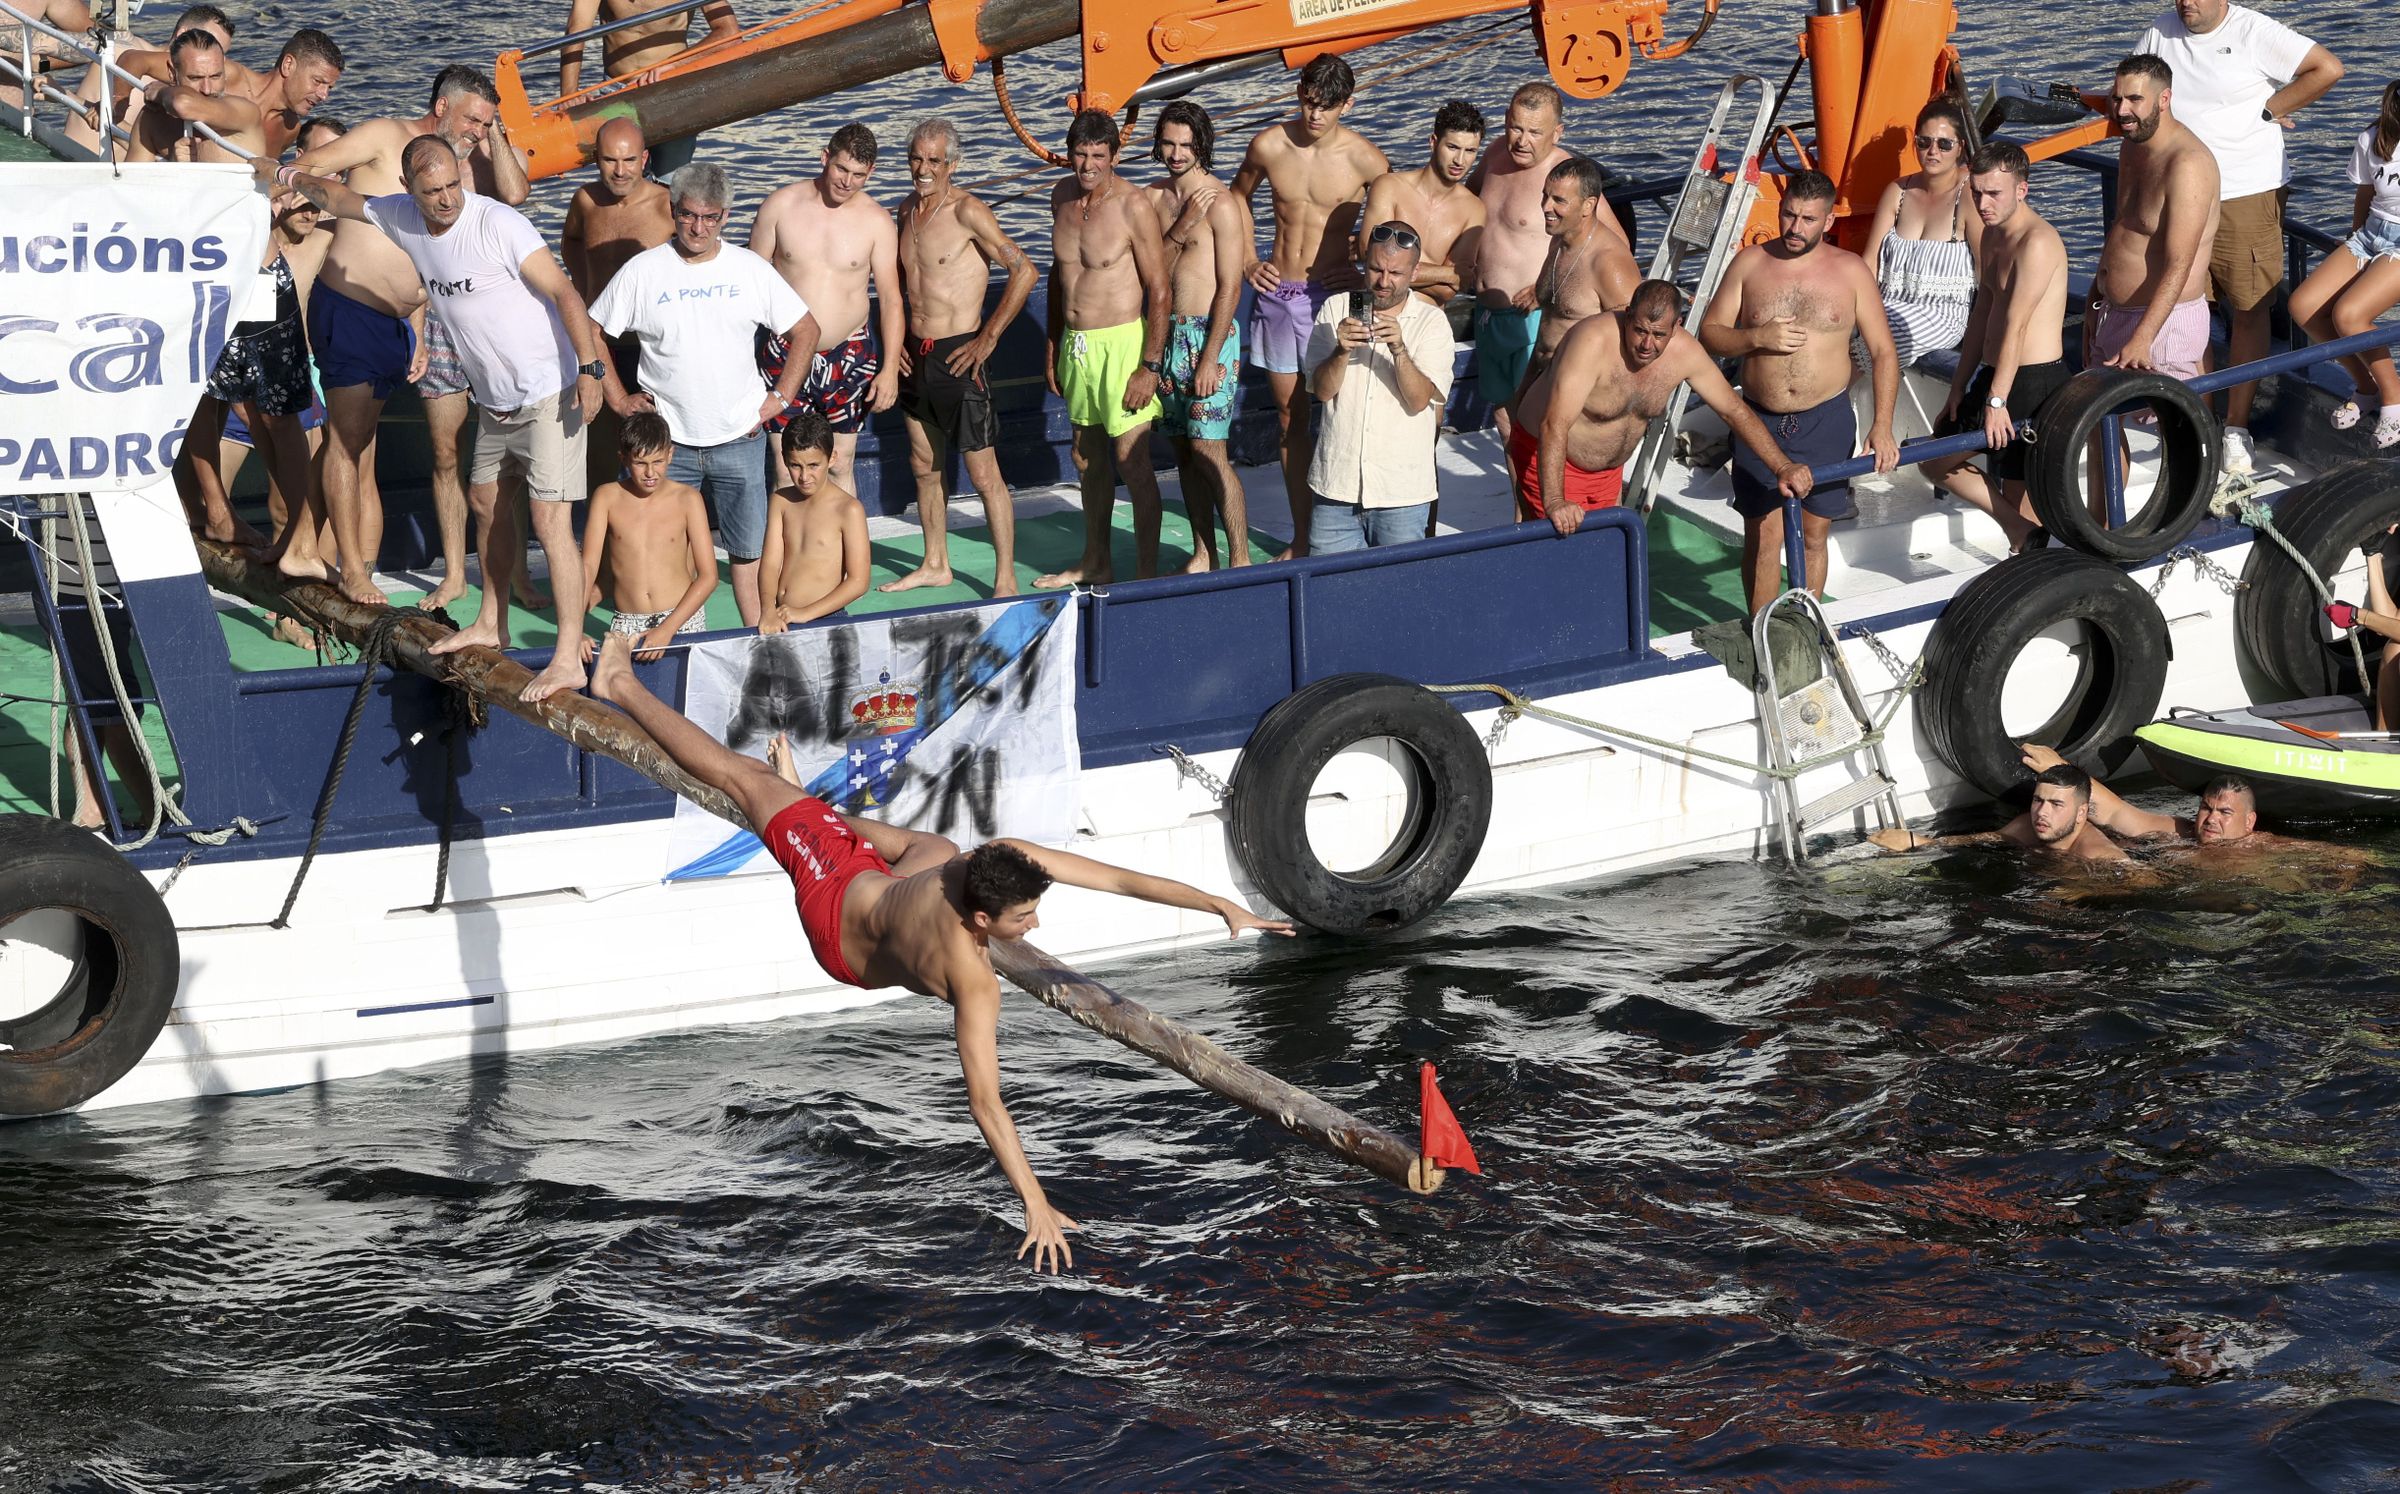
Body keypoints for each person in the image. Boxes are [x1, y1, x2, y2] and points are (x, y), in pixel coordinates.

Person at [585, 631, 1292, 1273]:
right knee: (748, 777)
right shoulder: (973, 958)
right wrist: (1035, 1202)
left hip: (857, 906)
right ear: (982, 915)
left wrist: (1214, 902)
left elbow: (1115, 878)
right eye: (1023, 919)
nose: (1035, 926)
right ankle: (619, 684)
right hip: (843, 909)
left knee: (892, 834)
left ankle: (802, 804)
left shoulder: (985, 890)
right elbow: (987, 1104)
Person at [266, 136, 608, 702]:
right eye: (433, 192)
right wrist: (285, 173)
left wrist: (592, 369)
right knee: (483, 504)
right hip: (495, 399)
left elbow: (566, 294)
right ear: (409, 191)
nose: (447, 199)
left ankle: (568, 656)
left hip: (551, 390)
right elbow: (338, 195)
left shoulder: (498, 224)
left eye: (453, 185)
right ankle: (490, 622)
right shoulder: (399, 216)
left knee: (550, 522)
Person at [293, 65, 530, 605]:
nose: (476, 130)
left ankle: (322, 553)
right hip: (353, 309)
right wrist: (287, 193)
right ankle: (347, 568)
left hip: (415, 322)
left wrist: (494, 134)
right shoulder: (384, 136)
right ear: (442, 105)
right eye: (472, 118)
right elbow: (312, 166)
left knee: (362, 446)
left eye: (486, 122)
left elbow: (516, 195)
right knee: (347, 446)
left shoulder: (463, 171)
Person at [592, 161, 817, 626]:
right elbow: (593, 332)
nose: (698, 227)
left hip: (739, 437)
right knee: (661, 552)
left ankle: (756, 641)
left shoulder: (749, 269)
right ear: (673, 212)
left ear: (725, 218)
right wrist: (616, 398)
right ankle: (671, 643)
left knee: (748, 554)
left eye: (710, 217)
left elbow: (806, 330)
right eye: (689, 215)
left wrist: (780, 398)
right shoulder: (643, 271)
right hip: (666, 447)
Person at [2136, 0, 2344, 475]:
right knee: (2190, 307)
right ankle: (2200, 417)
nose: (2185, 3)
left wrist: (2269, 112)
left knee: (2249, 308)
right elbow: (2134, 93)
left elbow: (2326, 68)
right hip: (2181, 191)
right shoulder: (2159, 32)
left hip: (2245, 191)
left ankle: (2236, 427)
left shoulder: (2253, 30)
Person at [1700, 170, 1900, 610]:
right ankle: (1761, 631)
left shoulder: (1850, 271)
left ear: (1828, 221)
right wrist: (1755, 338)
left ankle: (1806, 626)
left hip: (1824, 420)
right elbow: (1710, 333)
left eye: (1808, 219)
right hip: (1758, 420)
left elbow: (1884, 352)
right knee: (1763, 534)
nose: (1795, 228)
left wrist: (1882, 425)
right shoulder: (1750, 263)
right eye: (1789, 214)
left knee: (1813, 534)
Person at [1230, 56, 1389, 560]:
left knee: (1354, 409)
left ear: (1349, 104)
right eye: (1307, 102)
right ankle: (1303, 537)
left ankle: (1364, 525)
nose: (1314, 115)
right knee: (1287, 417)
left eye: (1326, 107)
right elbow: (1237, 198)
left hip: (1342, 293)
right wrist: (1247, 260)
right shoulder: (1270, 145)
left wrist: (1365, 273)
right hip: (1280, 293)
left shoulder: (1367, 159)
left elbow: (1395, 221)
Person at [1514, 280, 1813, 533]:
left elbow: (1733, 410)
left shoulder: (1685, 353)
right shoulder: (1591, 341)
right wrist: (1555, 501)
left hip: (1608, 473)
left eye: (1659, 335)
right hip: (1552, 456)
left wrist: (1782, 466)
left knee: (1604, 557)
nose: (1647, 344)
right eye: (1640, 330)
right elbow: (1554, 424)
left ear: (1676, 328)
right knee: (1557, 559)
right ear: (1627, 316)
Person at [885, 117, 1038, 595]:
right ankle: (936, 563)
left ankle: (1005, 577)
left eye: (934, 160)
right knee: (923, 464)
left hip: (960, 355)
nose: (923, 169)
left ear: (953, 163)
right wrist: (895, 351)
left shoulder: (969, 211)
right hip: (916, 355)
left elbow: (1024, 271)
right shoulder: (905, 210)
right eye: (916, 158)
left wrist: (988, 338)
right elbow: (897, 289)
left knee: (983, 472)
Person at [1034, 110, 1171, 589]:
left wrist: (1149, 366)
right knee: (1085, 458)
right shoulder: (1061, 197)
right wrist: (1053, 342)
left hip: (1122, 345)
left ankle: (1148, 574)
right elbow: (1059, 276)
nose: (1087, 165)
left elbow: (1159, 287)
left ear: (1114, 156)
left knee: (1132, 462)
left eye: (1097, 156)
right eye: (1079, 154)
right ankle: (1097, 561)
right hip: (1077, 347)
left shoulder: (1133, 206)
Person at [1924, 141, 2070, 554]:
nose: (1983, 203)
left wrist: (1997, 400)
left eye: (1994, 194)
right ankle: (2020, 532)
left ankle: (2029, 552)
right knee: (1935, 462)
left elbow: (2017, 326)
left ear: (2022, 190)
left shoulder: (2037, 242)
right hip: (1995, 375)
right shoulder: (1990, 236)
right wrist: (1958, 386)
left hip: (2033, 381)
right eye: (1977, 193)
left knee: (2022, 486)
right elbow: (1982, 316)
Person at [749, 122, 903, 496]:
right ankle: (788, 555)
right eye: (841, 169)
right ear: (825, 158)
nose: (847, 182)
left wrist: (890, 370)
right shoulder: (780, 205)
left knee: (841, 464)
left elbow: (892, 298)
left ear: (871, 173)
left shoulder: (877, 221)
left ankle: (846, 554)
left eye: (858, 175)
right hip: (786, 350)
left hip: (848, 354)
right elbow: (748, 285)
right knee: (787, 468)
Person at [1302, 221, 1455, 552]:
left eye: (1396, 273)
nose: (1384, 282)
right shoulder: (1335, 309)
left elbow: (1418, 401)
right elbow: (1322, 391)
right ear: (1364, 264)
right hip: (1336, 489)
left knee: (1398, 597)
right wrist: (1341, 351)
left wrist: (1399, 350)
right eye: (1375, 270)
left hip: (1401, 493)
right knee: (1331, 593)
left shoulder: (1432, 323)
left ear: (1414, 273)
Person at [1146, 100, 1252, 572]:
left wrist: (1210, 358)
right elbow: (1153, 274)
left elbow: (1231, 286)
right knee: (1184, 452)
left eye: (1186, 145)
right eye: (1168, 143)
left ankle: (1241, 557)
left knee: (1211, 450)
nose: (1176, 153)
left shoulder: (1223, 203)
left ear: (1202, 145)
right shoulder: (1154, 199)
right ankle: (1203, 552)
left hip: (1208, 338)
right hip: (1167, 336)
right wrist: (1181, 226)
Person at [560, 117, 676, 495]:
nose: (620, 171)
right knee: (604, 460)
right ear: (597, 159)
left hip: (650, 346)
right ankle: (606, 544)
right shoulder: (585, 200)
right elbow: (572, 242)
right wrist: (585, 290)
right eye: (610, 160)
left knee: (655, 454)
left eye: (628, 161)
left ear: (644, 158)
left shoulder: (666, 204)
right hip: (598, 343)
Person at [2090, 56, 2220, 389]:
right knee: (2097, 424)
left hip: (2163, 327)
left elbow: (2181, 263)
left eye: (2134, 99)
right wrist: (2096, 298)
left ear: (2164, 99)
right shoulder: (2132, 146)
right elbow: (2124, 227)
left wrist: (2143, 337)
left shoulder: (2188, 165)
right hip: (2113, 314)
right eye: (2117, 98)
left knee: (2175, 431)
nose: (2121, 111)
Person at [2290, 81, 2400, 452]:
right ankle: (2366, 388)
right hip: (2371, 233)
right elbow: (2366, 193)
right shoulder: (2374, 138)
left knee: (2350, 315)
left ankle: (2395, 400)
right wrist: (2355, 239)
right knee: (2304, 307)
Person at [1468, 82, 1574, 446]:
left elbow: (1607, 243)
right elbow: (1464, 202)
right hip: (1486, 316)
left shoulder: (1565, 175)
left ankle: (1549, 503)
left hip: (1531, 320)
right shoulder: (1495, 155)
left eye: (1534, 132)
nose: (1521, 141)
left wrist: (1548, 287)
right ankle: (1520, 505)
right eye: (1516, 127)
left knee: (1537, 421)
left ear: (1557, 132)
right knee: (1504, 418)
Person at [578, 411, 717, 660]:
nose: (650, 473)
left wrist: (666, 630)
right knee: (616, 696)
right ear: (623, 459)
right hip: (627, 622)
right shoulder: (607, 497)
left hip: (682, 620)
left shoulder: (688, 499)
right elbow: (588, 565)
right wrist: (574, 628)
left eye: (658, 462)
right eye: (641, 463)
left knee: (684, 696)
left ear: (670, 455)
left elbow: (708, 576)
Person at [1858, 99, 1981, 369]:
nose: (1932, 151)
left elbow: (1987, 271)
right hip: (1886, 304)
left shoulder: (1969, 195)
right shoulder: (1898, 192)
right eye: (1924, 142)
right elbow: (1870, 261)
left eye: (1944, 144)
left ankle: (1831, 407)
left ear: (1960, 146)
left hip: (1941, 314)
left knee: (1870, 343)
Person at [556, 0, 739, 176]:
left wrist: (673, 64)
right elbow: (577, 28)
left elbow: (729, 33)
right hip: (618, 91)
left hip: (672, 90)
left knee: (671, 185)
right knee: (620, 185)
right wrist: (569, 94)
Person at [116, 25, 344, 156]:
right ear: (288, 65)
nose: (324, 95)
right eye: (318, 81)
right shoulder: (223, 74)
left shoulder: (290, 129)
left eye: (329, 88)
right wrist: (116, 107)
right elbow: (134, 60)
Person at [1517, 154, 1639, 396]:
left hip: (1582, 398)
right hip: (1542, 382)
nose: (1545, 207)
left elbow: (1631, 344)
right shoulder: (1559, 241)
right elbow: (1551, 322)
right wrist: (1525, 391)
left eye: (1558, 200)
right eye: (1545, 195)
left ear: (1588, 205)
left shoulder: (1609, 262)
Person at [2017, 744, 2285, 850]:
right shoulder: (2181, 831)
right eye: (2206, 807)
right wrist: (2059, 769)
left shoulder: (2264, 849)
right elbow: (2115, 813)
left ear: (2249, 822)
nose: (2211, 819)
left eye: (2225, 813)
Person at [1355, 99, 1489, 307]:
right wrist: (1445, 273)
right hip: (1371, 310)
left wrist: (1395, 270)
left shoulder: (1474, 209)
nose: (1460, 160)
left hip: (1426, 320)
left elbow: (1450, 289)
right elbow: (1369, 254)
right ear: (1433, 142)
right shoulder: (1389, 186)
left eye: (1470, 151)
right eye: (1452, 147)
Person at [1868, 763, 2129, 862]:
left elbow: (2145, 887)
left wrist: (2082, 890)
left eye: (2056, 804)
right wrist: (1920, 843)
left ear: (2082, 813)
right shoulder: (2029, 825)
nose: (2042, 812)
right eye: (2038, 800)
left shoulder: (2099, 856)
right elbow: (1987, 840)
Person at [759, 412, 870, 633]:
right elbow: (770, 563)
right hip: (782, 618)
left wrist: (805, 613)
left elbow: (859, 581)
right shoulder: (781, 501)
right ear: (784, 459)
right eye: (795, 465)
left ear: (832, 459)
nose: (804, 476)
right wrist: (767, 609)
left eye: (813, 465)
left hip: (827, 619)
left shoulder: (848, 509)